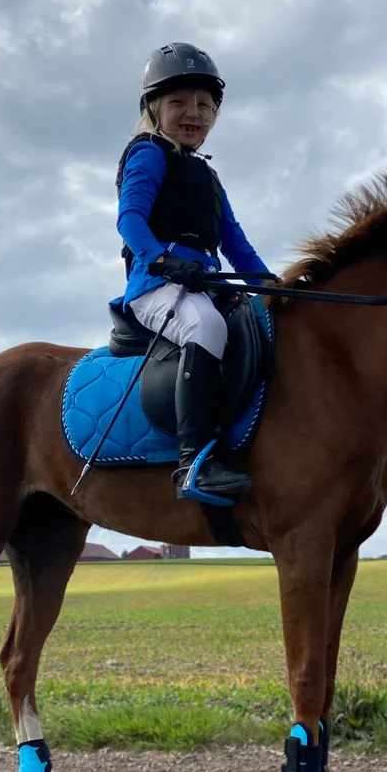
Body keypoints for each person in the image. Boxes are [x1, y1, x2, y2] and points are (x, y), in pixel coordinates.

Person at [114, 42, 270, 501]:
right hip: (157, 285)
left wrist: (274, 287)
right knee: (205, 326)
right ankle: (193, 463)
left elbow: (237, 245)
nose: (193, 113)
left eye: (204, 105)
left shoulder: (209, 178)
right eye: (178, 102)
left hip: (203, 282)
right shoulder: (148, 152)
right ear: (153, 109)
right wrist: (163, 261)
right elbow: (130, 219)